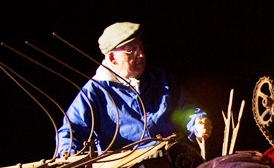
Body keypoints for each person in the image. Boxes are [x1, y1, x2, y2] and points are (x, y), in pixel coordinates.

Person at [55, 21, 211, 156]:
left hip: (174, 158)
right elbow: (71, 130)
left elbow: (186, 108)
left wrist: (197, 122)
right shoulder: (94, 92)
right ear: (112, 58)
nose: (142, 55)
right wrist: (67, 154)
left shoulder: (160, 78)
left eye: (142, 48)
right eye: (132, 51)